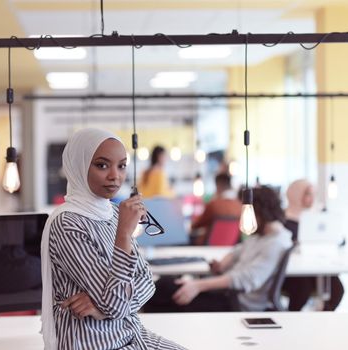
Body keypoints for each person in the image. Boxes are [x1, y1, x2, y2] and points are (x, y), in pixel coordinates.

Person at [40, 128, 187, 350]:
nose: (115, 176)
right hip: (94, 343)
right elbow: (116, 305)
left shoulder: (115, 212)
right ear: (78, 167)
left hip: (131, 334)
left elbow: (147, 281)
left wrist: (101, 308)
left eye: (121, 166)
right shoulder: (67, 224)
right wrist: (124, 235)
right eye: (102, 165)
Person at [145, 186, 293, 312]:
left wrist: (198, 286)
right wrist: (222, 264)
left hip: (235, 304)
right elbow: (238, 250)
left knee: (163, 294)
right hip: (226, 294)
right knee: (163, 285)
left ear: (259, 212)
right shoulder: (261, 235)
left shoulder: (276, 243)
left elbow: (245, 280)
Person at [282, 179, 345, 311]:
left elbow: (338, 239)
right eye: (307, 194)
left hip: (318, 266)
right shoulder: (283, 218)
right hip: (295, 271)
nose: (311, 198)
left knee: (337, 289)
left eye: (313, 194)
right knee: (302, 291)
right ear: (296, 195)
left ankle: (322, 318)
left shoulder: (317, 215)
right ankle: (291, 321)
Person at [190, 172, 242, 245]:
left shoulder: (214, 205)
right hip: (231, 249)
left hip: (207, 248)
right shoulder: (239, 206)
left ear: (218, 186)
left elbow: (195, 225)